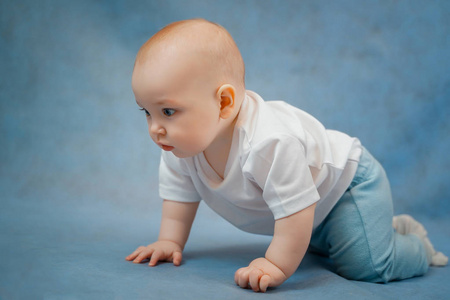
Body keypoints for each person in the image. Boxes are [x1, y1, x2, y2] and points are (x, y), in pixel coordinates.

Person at [125, 18, 447, 293]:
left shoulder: (269, 143)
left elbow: (297, 210)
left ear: (224, 103)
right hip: (308, 206)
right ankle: (370, 229)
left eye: (168, 111)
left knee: (366, 265)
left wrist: (275, 263)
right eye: (148, 113)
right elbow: (179, 198)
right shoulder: (180, 146)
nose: (156, 128)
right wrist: (170, 241)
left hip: (346, 185)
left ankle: (412, 244)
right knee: (317, 243)